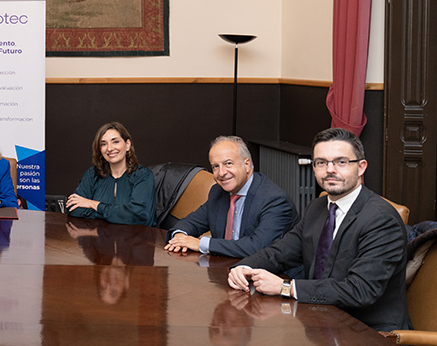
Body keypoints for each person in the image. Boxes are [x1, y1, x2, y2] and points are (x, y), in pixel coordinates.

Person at [227, 128, 410, 332]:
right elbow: (280, 251)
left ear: (361, 167)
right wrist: (243, 268)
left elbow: (361, 290)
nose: (330, 170)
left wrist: (286, 288)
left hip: (368, 332)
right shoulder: (318, 207)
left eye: (341, 162)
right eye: (321, 162)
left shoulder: (381, 219)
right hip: (319, 321)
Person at [165, 136, 297, 257]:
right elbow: (191, 222)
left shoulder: (274, 200)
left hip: (269, 272)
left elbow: (258, 247)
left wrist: (202, 244)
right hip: (225, 268)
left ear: (247, 164)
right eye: (215, 166)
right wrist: (180, 237)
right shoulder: (218, 192)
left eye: (228, 163)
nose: (221, 173)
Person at [66, 122, 155, 225]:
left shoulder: (143, 176)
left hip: (137, 235)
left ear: (127, 145)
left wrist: (93, 204)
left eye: (115, 142)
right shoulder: (93, 174)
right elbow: (73, 208)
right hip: (99, 234)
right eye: (104, 144)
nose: (109, 148)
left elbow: (137, 217)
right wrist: (114, 215)